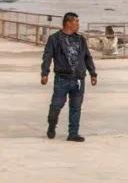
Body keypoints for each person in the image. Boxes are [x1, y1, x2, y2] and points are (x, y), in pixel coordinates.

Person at [40, 12, 97, 142]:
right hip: (62, 79)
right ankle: (52, 124)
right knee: (56, 105)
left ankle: (73, 133)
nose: (78, 24)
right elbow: (47, 57)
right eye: (76, 21)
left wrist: (93, 73)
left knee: (76, 108)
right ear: (68, 23)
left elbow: (87, 57)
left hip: (78, 79)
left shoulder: (81, 39)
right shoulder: (55, 39)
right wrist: (45, 73)